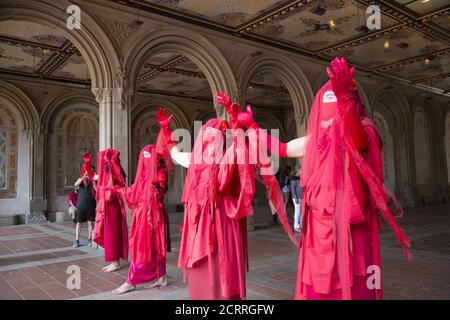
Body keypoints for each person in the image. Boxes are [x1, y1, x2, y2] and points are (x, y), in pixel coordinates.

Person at [225, 57, 411, 300]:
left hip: (348, 226)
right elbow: (282, 149)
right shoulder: (317, 141)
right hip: (318, 230)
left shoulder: (365, 128)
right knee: (320, 283)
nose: (326, 117)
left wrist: (345, 101)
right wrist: (253, 127)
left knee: (351, 283)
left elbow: (357, 142)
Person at [157, 106, 297, 300]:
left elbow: (242, 155)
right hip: (204, 223)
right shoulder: (197, 160)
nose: (210, 142)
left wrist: (237, 125)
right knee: (205, 266)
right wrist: (166, 131)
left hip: (223, 218)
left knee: (223, 264)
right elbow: (176, 155)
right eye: (208, 138)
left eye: (214, 137)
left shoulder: (230, 158)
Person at [113, 143, 171, 295]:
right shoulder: (144, 174)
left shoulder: (161, 171)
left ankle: (132, 281)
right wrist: (119, 189)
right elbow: (134, 192)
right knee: (146, 246)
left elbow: (159, 192)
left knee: (146, 247)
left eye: (148, 158)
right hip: (142, 216)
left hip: (153, 217)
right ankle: (161, 277)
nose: (145, 162)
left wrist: (155, 187)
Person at [94, 149, 128, 273]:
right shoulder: (110, 173)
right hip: (109, 206)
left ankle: (115, 263)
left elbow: (113, 190)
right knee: (110, 233)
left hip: (112, 205)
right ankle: (114, 261)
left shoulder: (113, 172)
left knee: (112, 234)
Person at [73, 152, 97, 248]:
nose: (91, 172)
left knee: (90, 222)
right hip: (81, 204)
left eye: (92, 171)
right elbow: (75, 184)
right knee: (79, 222)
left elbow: (96, 190)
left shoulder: (93, 180)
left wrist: (93, 180)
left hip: (91, 203)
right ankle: (77, 240)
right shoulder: (82, 180)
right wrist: (84, 176)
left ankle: (89, 240)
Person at [290, 165, 303, 232]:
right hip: (297, 198)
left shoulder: (301, 178)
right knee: (297, 212)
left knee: (301, 212)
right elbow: (293, 189)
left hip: (302, 197)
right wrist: (295, 197)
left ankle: (301, 225)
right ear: (298, 170)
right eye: (302, 170)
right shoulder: (294, 178)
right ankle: (296, 226)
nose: (302, 171)